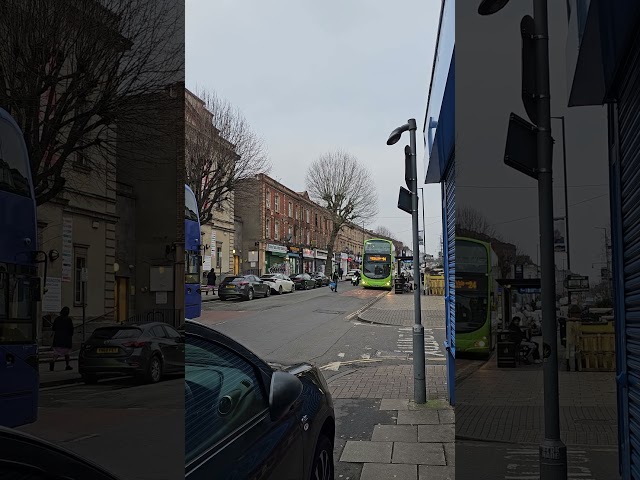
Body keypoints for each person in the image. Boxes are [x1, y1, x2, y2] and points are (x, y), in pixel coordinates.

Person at [50, 306, 74, 371]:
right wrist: (71, 335)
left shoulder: (57, 319)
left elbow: (53, 328)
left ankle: (53, 360)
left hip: (57, 339)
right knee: (67, 353)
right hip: (66, 339)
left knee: (57, 352)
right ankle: (67, 365)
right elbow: (71, 330)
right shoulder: (69, 319)